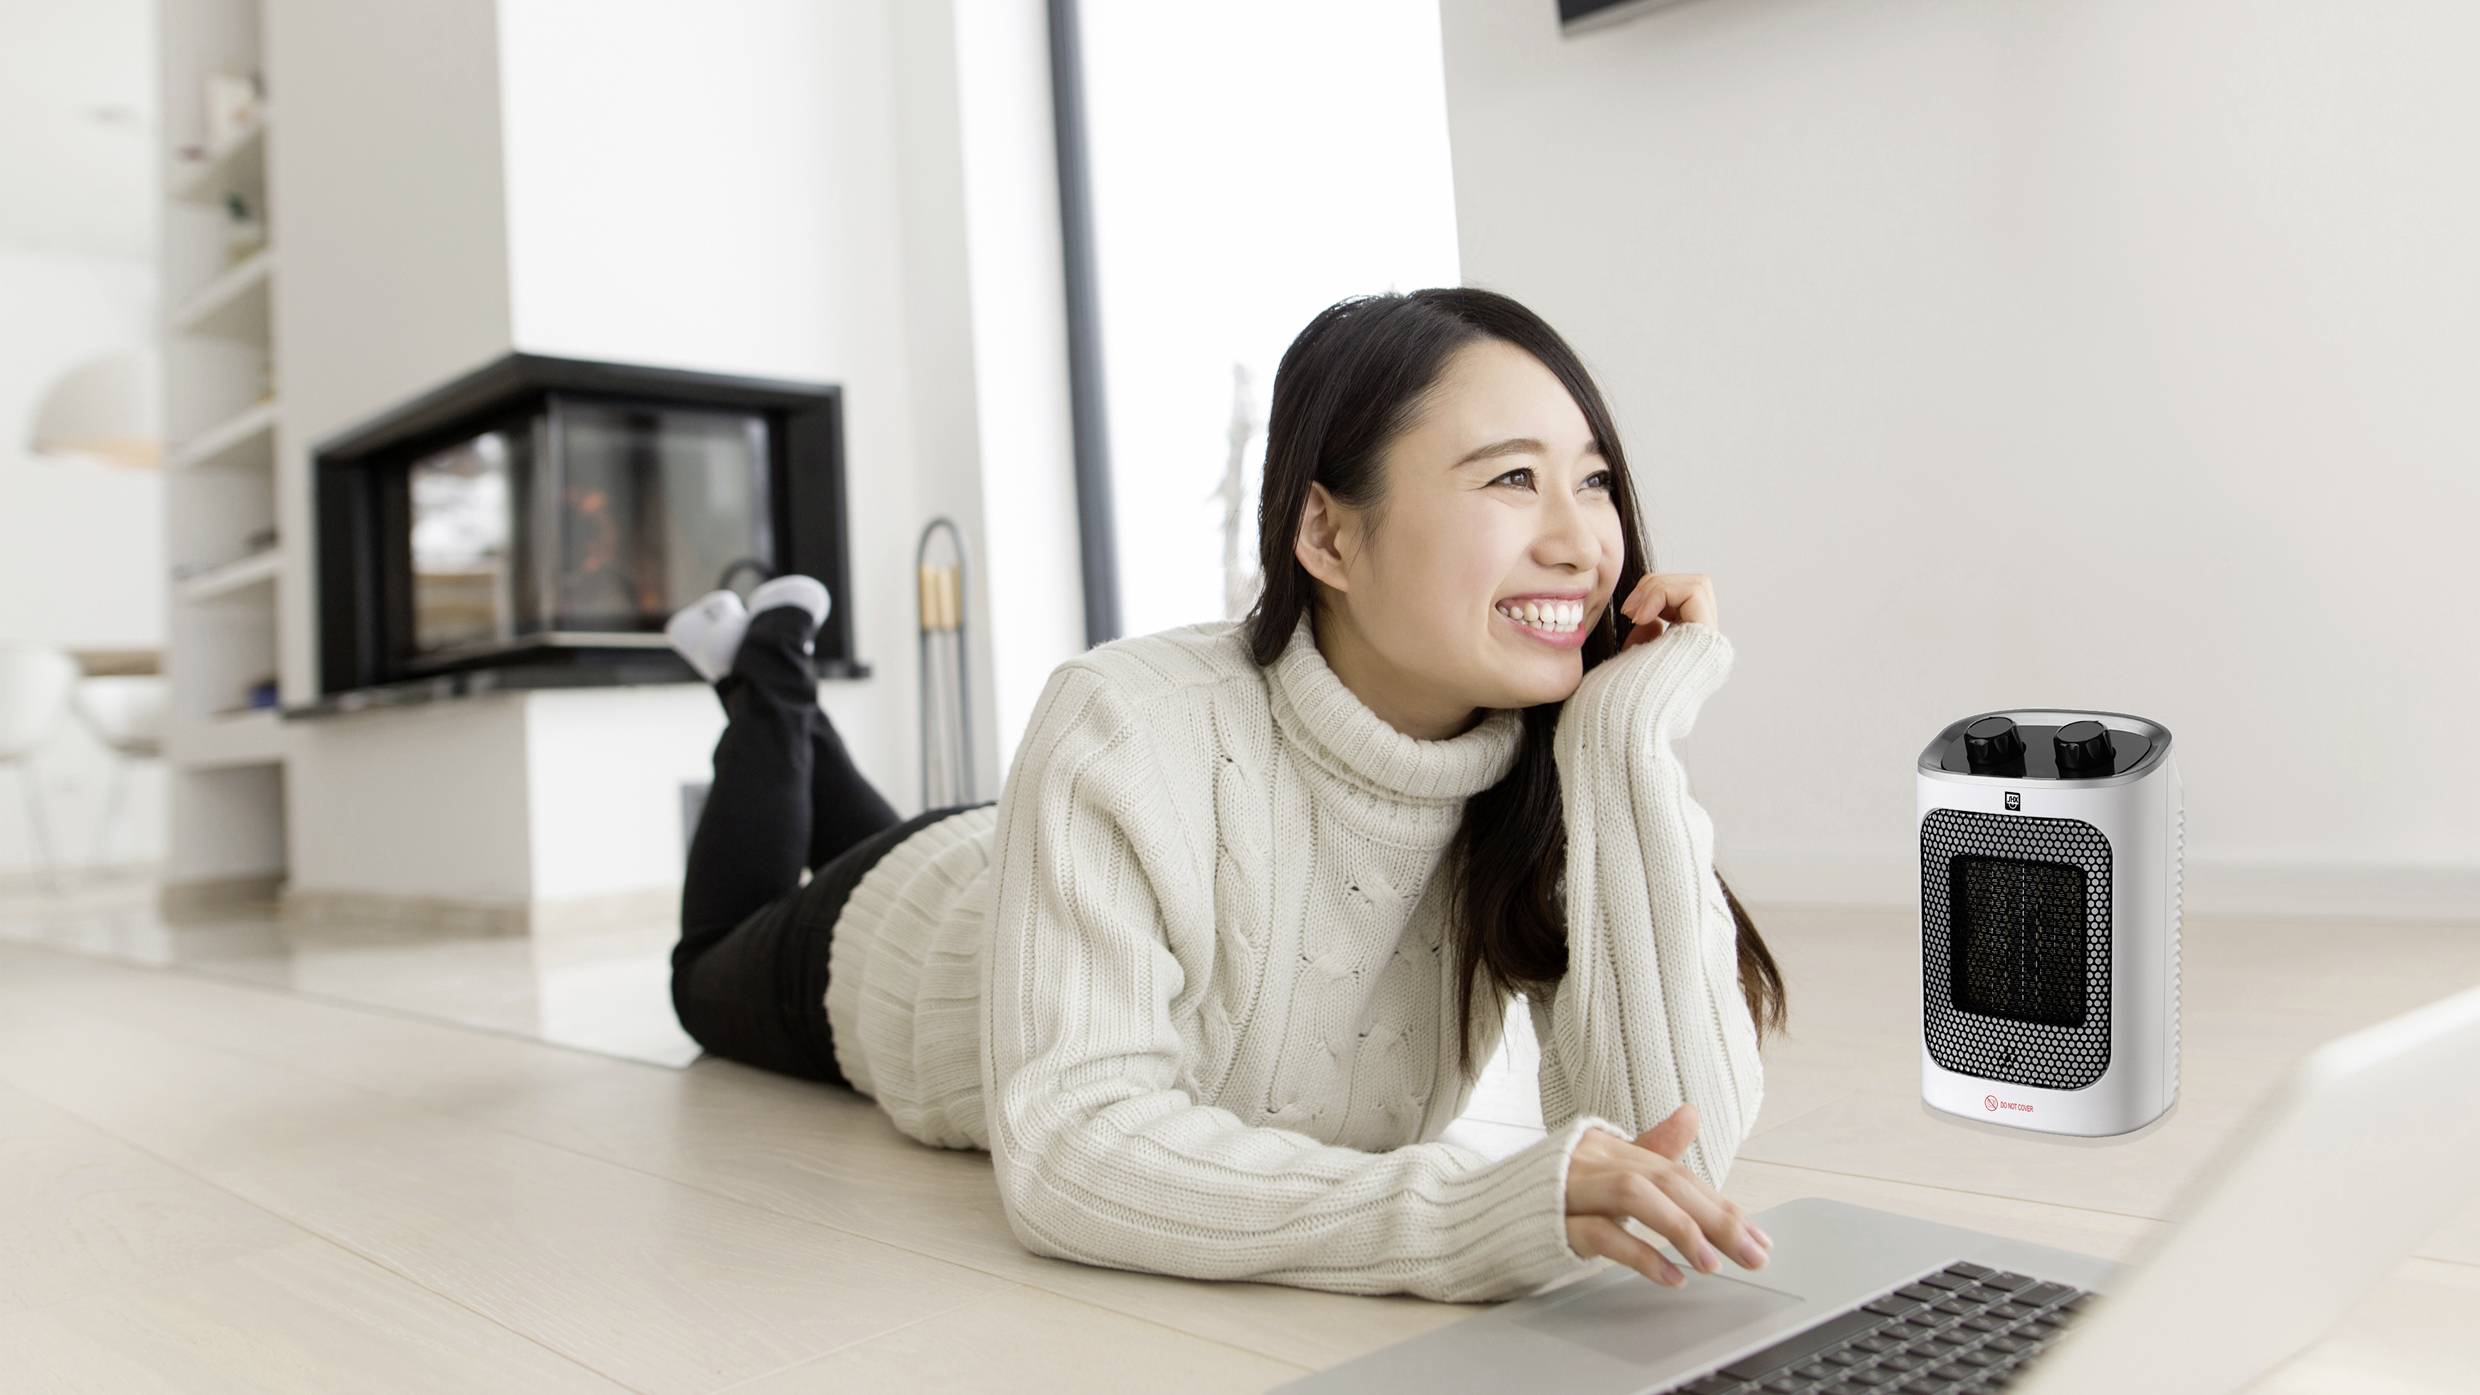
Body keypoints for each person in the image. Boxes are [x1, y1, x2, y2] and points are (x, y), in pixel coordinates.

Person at [666, 286, 1789, 1305]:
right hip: (897, 934)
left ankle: (778, 695)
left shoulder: (1554, 767)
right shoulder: (1123, 714)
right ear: (1326, 533)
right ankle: (767, 671)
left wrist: (1621, 744)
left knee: (874, 821)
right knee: (705, 963)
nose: (1578, 542)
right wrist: (1454, 1213)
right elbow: (1072, 1154)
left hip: (1011, 849)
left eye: (1591, 480)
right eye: (1510, 478)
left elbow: (1671, 1162)